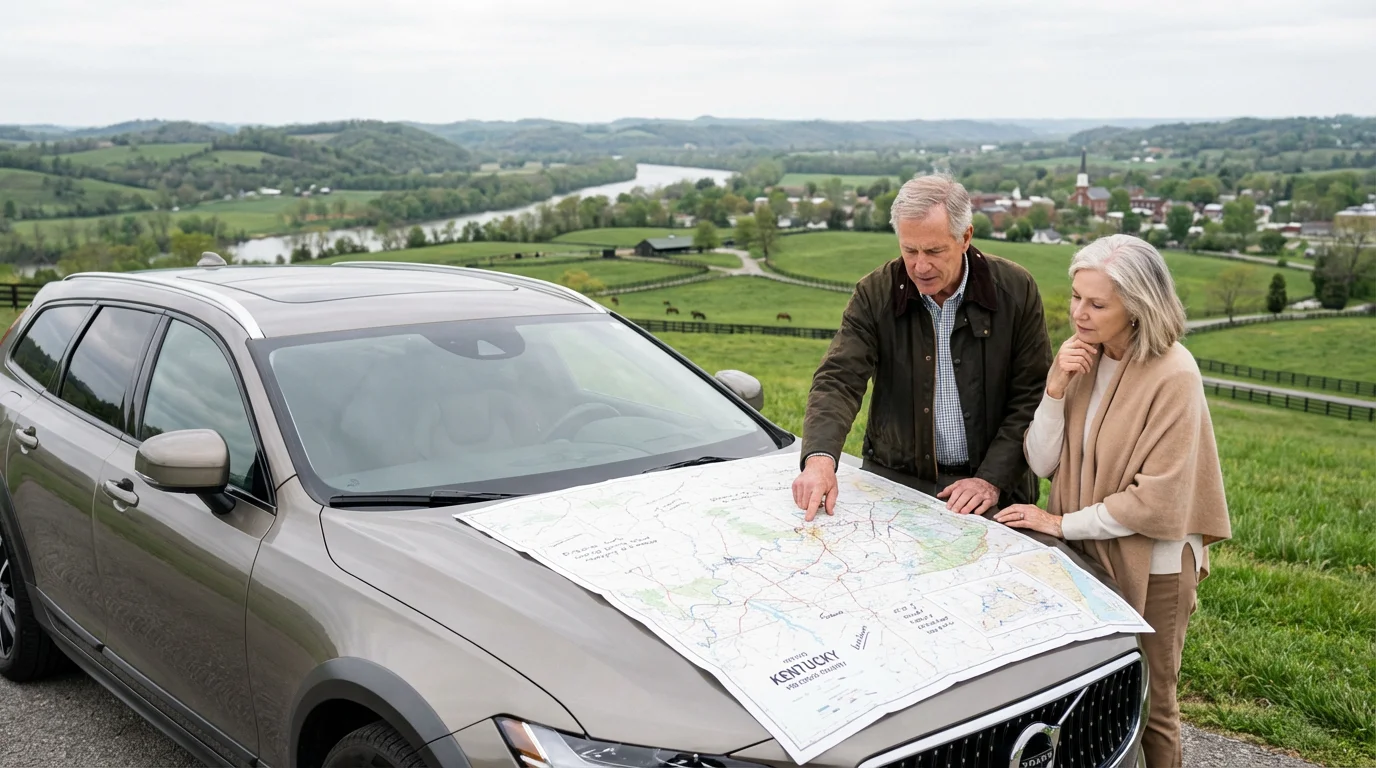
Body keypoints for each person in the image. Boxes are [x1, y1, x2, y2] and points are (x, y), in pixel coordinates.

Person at [992, 234, 1232, 768]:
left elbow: (1156, 502)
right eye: (1076, 297)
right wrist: (1055, 388)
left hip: (1159, 565)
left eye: (1097, 304)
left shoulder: (1175, 374)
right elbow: (1041, 461)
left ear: (1137, 307)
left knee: (1154, 703)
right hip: (1086, 552)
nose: (1079, 313)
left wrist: (1059, 523)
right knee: (1088, 695)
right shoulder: (1085, 358)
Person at [793, 172, 1051, 520]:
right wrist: (820, 459)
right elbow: (839, 378)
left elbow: (1032, 395)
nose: (920, 265)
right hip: (898, 482)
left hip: (993, 489)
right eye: (909, 250)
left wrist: (991, 479)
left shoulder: (1015, 290)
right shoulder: (875, 293)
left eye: (934, 250)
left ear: (965, 238)